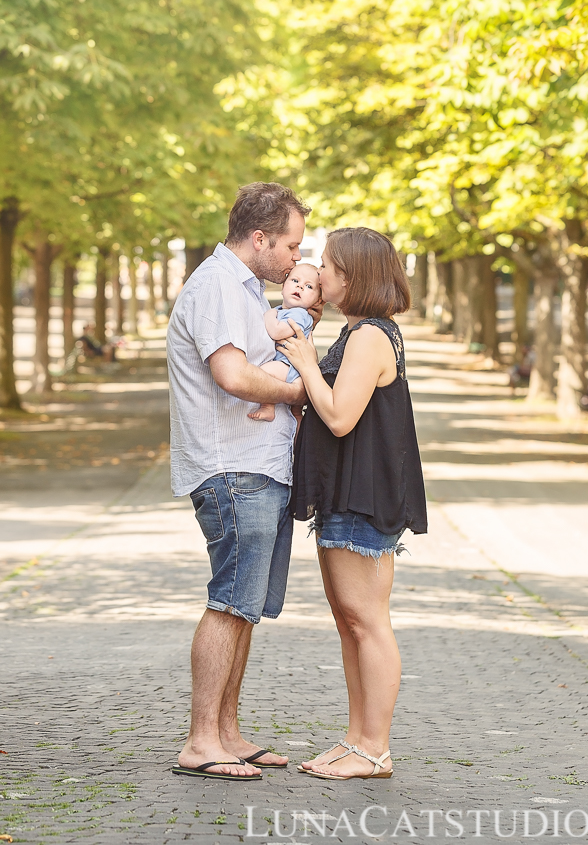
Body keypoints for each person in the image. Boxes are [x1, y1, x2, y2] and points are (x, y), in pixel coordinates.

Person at [167, 182, 319, 782]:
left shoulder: (245, 289)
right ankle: (202, 739)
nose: (294, 259)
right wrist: (295, 392)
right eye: (291, 245)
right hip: (233, 467)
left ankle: (227, 732)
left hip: (258, 464)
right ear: (259, 238)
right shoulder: (217, 287)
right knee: (230, 601)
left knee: (245, 607)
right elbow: (231, 374)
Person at [280, 226, 427, 781]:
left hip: (363, 497)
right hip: (347, 492)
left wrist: (305, 360)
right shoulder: (361, 331)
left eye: (331, 264)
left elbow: (340, 415)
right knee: (350, 623)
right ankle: (356, 739)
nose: (321, 272)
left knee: (367, 622)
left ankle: (375, 749)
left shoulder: (369, 337)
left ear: (354, 275)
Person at [247, 263, 321, 423]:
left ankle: (268, 406)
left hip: (289, 366)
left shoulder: (300, 314)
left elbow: (277, 332)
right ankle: (297, 441)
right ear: (283, 287)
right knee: (296, 414)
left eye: (309, 286)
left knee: (264, 372)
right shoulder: (286, 311)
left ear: (317, 300)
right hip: (291, 366)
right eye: (295, 281)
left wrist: (269, 315)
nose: (300, 286)